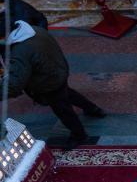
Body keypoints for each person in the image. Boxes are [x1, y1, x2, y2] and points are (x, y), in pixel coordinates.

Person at [0, 16, 105, 149]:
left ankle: (79, 135)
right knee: (67, 93)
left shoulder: (19, 52)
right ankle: (93, 109)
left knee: (63, 110)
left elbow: (14, 85)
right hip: (57, 71)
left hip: (47, 83)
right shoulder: (34, 30)